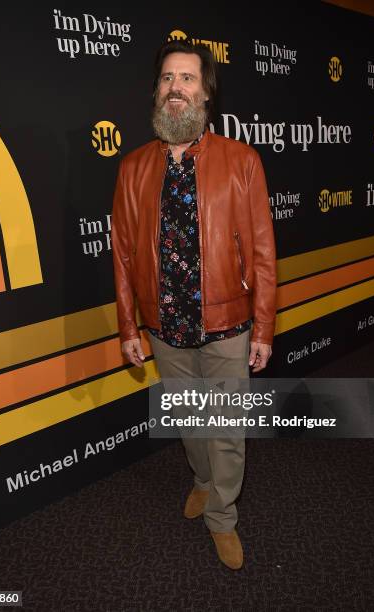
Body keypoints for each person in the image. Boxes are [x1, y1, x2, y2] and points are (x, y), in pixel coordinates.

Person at [111, 39, 276, 570]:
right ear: (157, 92)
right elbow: (122, 254)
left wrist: (265, 329)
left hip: (227, 323)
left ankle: (222, 517)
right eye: (166, 79)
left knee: (226, 430)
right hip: (164, 326)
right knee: (190, 421)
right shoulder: (134, 167)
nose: (175, 88)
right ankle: (203, 483)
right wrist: (128, 327)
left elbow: (263, 251)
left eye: (186, 78)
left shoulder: (241, 160)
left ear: (205, 93)